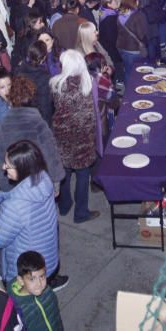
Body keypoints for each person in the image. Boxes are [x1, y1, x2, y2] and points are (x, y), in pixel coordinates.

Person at [0, 140, 61, 288]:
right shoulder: (43, 178)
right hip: (47, 259)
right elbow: (21, 195)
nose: (4, 168)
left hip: (25, 273)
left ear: (22, 168)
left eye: (8, 166)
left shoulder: (15, 206)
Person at [50, 50, 100, 224]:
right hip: (83, 134)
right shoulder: (88, 82)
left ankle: (64, 206)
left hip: (62, 134)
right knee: (83, 173)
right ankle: (81, 212)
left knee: (65, 170)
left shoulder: (56, 84)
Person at [0, 76, 65, 195]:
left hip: (16, 185)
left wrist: (6, 191)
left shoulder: (0, 127)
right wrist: (56, 182)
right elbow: (51, 154)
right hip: (39, 182)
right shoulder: (38, 122)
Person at [10, 250, 64, 331]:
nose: (39, 284)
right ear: (21, 280)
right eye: (32, 279)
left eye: (42, 276)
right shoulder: (17, 308)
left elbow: (56, 317)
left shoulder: (48, 292)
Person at [17, 43, 54, 125]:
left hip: (23, 118)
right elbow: (45, 106)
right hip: (38, 119)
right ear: (44, 57)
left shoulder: (19, 71)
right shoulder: (43, 77)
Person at [116, 0, 149, 79]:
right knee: (136, 73)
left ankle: (127, 91)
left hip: (121, 47)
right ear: (136, 2)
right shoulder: (138, 15)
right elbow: (141, 34)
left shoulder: (119, 14)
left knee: (127, 71)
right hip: (134, 49)